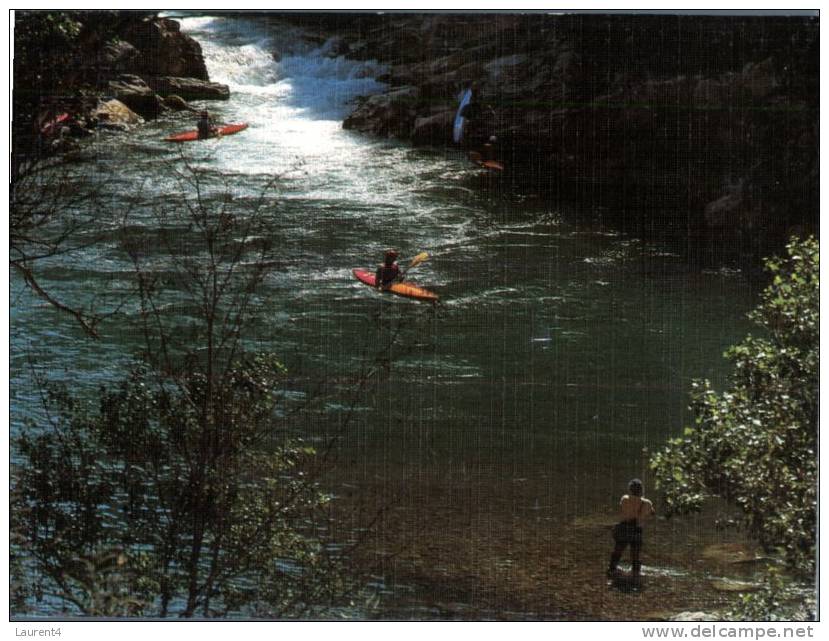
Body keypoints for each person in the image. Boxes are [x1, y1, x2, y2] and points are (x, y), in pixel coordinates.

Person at [607, 478, 655, 584]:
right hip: (637, 530)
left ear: (630, 489)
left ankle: (612, 569)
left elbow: (622, 509)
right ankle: (635, 573)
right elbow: (652, 513)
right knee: (636, 554)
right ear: (641, 490)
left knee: (618, 550)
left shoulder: (624, 498)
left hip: (624, 528)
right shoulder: (647, 503)